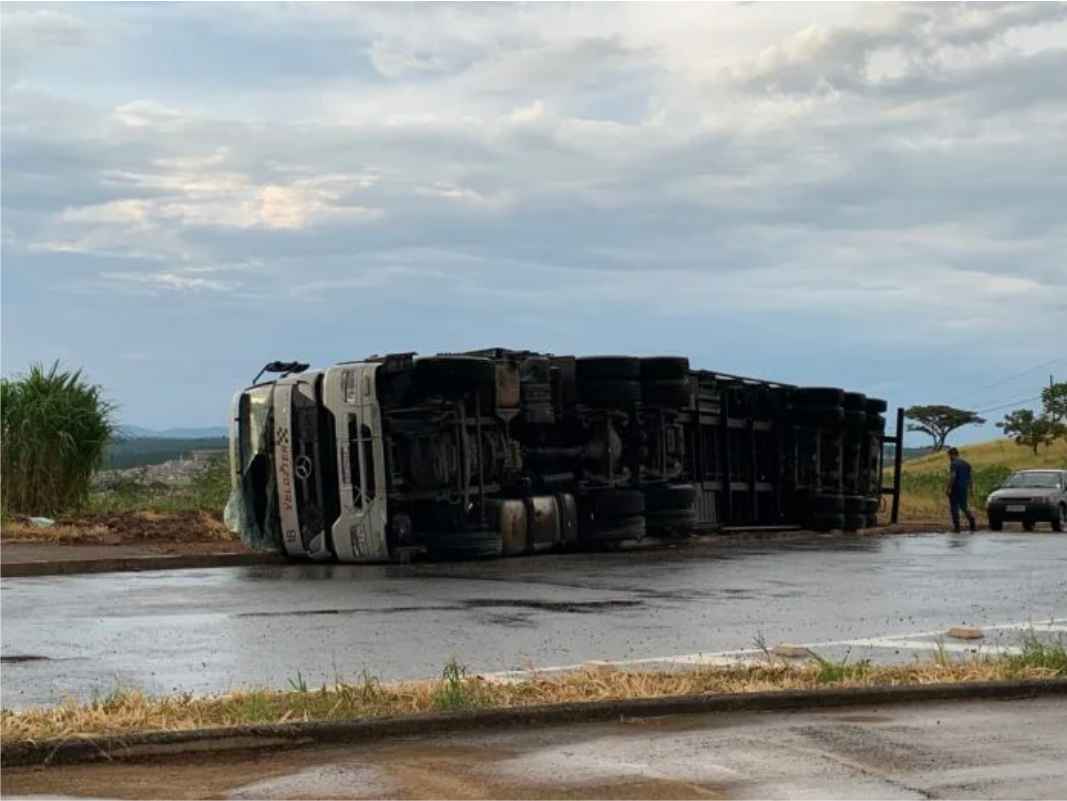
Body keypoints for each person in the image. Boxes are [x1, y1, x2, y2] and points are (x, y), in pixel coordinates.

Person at [946, 447, 977, 533]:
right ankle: (972, 523)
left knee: (954, 507)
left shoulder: (954, 464)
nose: (949, 458)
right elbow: (970, 478)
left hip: (955, 488)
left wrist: (948, 488)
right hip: (964, 488)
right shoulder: (967, 464)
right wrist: (971, 489)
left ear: (952, 455)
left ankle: (957, 528)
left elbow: (953, 476)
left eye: (949, 455)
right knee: (964, 507)